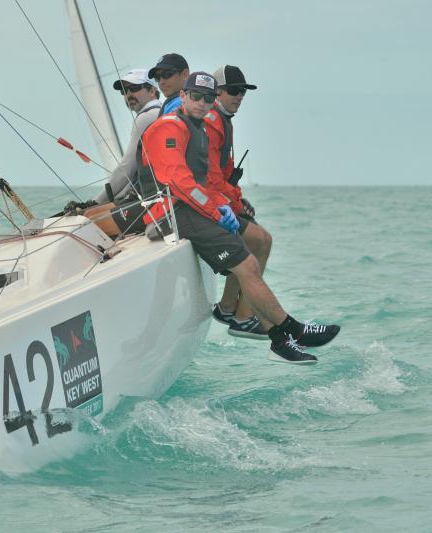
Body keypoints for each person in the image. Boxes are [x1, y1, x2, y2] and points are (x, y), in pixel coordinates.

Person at [140, 72, 340, 364]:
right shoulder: (170, 128)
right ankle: (292, 330)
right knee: (247, 264)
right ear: (183, 96)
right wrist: (216, 211)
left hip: (189, 209)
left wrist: (223, 205)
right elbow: (179, 181)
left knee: (249, 260)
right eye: (195, 96)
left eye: (208, 98)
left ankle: (280, 340)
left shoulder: (197, 128)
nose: (201, 103)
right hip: (171, 212)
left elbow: (206, 181)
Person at [204, 65, 272, 340]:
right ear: (217, 91)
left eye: (243, 92)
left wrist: (239, 199)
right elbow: (210, 177)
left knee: (257, 239)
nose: (239, 96)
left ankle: (229, 307)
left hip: (219, 198)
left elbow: (226, 170)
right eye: (234, 91)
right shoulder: (211, 121)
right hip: (206, 202)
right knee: (261, 240)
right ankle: (243, 317)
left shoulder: (224, 119)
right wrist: (233, 205)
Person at [66, 69, 162, 237]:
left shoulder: (147, 117)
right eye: (125, 91)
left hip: (154, 199)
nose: (129, 94)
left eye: (134, 88)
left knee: (89, 219)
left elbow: (127, 168)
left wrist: (94, 202)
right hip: (151, 194)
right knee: (94, 214)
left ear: (152, 90)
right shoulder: (160, 111)